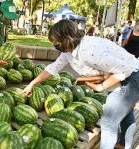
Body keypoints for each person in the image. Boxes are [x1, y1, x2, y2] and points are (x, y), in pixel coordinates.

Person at [22, 19, 139, 149]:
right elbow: (53, 68)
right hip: (126, 75)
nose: (55, 44)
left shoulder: (88, 51)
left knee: (108, 122)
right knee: (126, 113)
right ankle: (123, 145)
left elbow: (124, 70)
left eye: (56, 41)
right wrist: (32, 84)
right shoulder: (68, 51)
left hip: (133, 77)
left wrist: (102, 86)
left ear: (66, 37)